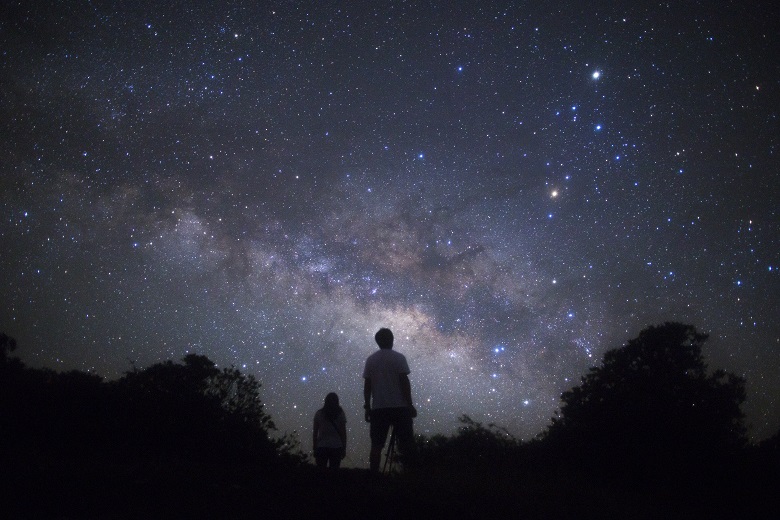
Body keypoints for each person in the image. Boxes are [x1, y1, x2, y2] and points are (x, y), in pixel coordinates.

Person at [363, 328, 417, 472]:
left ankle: (374, 476)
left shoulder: (371, 360)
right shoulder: (399, 358)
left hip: (379, 408)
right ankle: (409, 476)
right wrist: (410, 404)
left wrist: (367, 406)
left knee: (376, 445)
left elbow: (367, 386)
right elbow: (404, 382)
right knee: (406, 445)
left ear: (378, 342)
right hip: (400, 408)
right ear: (392, 340)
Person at [312, 392, 347, 470]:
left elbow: (315, 433)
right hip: (336, 447)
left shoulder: (319, 414)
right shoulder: (340, 414)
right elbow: (343, 433)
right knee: (334, 473)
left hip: (322, 446)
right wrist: (344, 448)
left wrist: (314, 447)